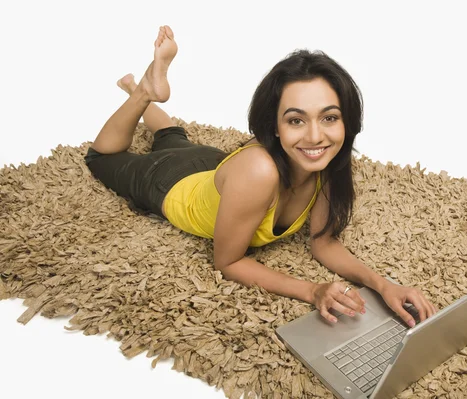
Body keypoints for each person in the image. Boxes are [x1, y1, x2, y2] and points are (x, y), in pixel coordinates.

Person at [85, 25, 437, 327]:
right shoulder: (258, 170)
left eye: (329, 118)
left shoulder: (326, 161)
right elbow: (228, 262)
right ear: (275, 127)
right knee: (102, 157)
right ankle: (145, 92)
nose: (316, 137)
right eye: (296, 120)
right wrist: (312, 290)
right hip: (169, 182)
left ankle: (137, 90)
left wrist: (383, 284)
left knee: (174, 136)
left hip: (216, 168)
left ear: (347, 120)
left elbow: (324, 242)